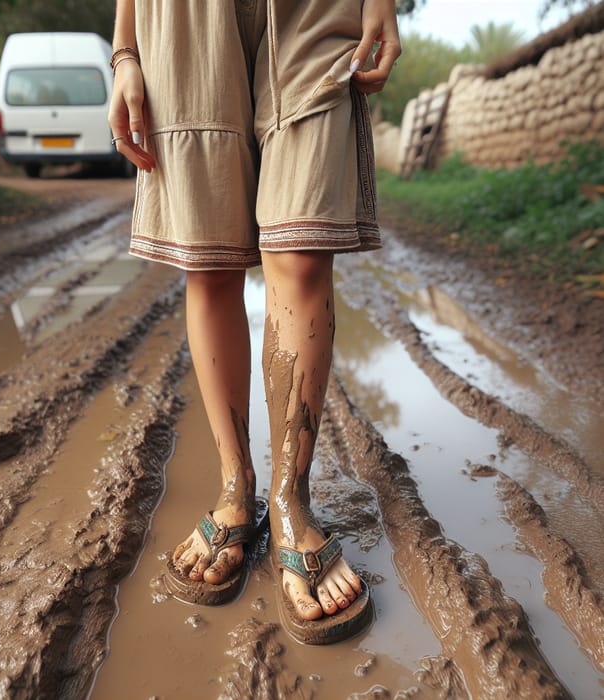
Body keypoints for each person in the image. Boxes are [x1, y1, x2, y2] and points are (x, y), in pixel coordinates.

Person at [109, 0, 401, 645]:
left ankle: (292, 500)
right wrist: (125, 52)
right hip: (183, 18)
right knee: (210, 261)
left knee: (299, 254)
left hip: (315, 13)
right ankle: (236, 486)